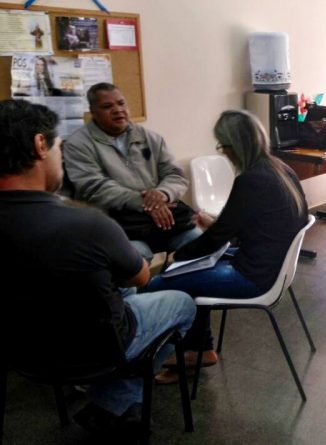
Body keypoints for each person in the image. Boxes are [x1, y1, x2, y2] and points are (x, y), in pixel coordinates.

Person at [0, 99, 196, 436]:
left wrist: (161, 195)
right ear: (40, 144)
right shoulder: (87, 224)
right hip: (94, 351)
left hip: (23, 355)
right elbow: (141, 275)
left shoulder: (148, 139)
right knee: (182, 302)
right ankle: (114, 401)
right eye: (58, 147)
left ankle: (112, 399)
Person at [146, 110, 309, 383]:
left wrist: (178, 256)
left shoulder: (251, 180)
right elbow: (251, 225)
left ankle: (149, 359)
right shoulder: (280, 168)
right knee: (190, 274)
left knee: (161, 283)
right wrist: (214, 226)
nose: (224, 153)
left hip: (254, 278)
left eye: (222, 146)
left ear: (235, 146)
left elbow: (215, 240)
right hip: (272, 267)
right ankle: (200, 349)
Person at [63, 82, 201, 261]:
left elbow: (175, 174)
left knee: (199, 242)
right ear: (93, 112)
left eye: (121, 103)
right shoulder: (77, 144)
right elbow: (93, 187)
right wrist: (144, 202)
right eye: (107, 106)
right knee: (136, 259)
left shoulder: (150, 137)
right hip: (117, 225)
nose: (117, 110)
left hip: (163, 220)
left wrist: (162, 194)